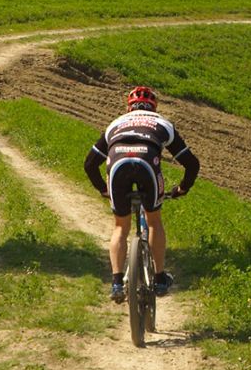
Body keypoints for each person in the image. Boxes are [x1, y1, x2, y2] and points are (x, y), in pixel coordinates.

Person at [83, 85, 200, 303]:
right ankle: (159, 278)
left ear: (129, 108)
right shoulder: (162, 123)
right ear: (153, 107)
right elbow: (191, 163)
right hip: (147, 163)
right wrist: (183, 187)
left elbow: (90, 164)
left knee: (120, 226)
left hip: (117, 165)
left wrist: (104, 189)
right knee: (153, 221)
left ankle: (117, 282)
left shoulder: (115, 124)